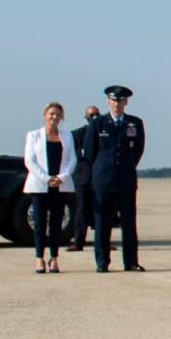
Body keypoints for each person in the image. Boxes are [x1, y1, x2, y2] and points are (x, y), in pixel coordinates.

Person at [83, 85, 146, 273]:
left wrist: (126, 166)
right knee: (102, 224)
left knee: (129, 223)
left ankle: (131, 262)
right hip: (103, 180)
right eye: (113, 100)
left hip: (125, 179)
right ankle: (102, 262)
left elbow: (138, 151)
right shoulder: (98, 124)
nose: (116, 104)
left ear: (126, 102)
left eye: (120, 101)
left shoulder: (135, 123)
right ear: (108, 102)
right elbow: (90, 152)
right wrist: (103, 169)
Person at [23, 102, 76, 274]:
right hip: (40, 185)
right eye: (51, 114)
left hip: (60, 185)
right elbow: (29, 161)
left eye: (58, 114)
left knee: (56, 223)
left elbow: (72, 160)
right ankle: (39, 258)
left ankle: (54, 258)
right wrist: (46, 179)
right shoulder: (33, 135)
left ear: (62, 117)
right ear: (45, 115)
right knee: (39, 223)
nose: (54, 117)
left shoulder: (67, 136)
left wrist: (61, 177)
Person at [66, 104, 99, 252]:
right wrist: (84, 152)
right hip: (82, 177)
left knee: (102, 210)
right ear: (86, 117)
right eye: (91, 115)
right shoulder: (77, 134)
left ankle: (103, 240)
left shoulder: (104, 132)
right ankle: (78, 242)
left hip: (99, 177)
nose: (94, 118)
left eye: (96, 115)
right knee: (81, 210)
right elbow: (70, 153)